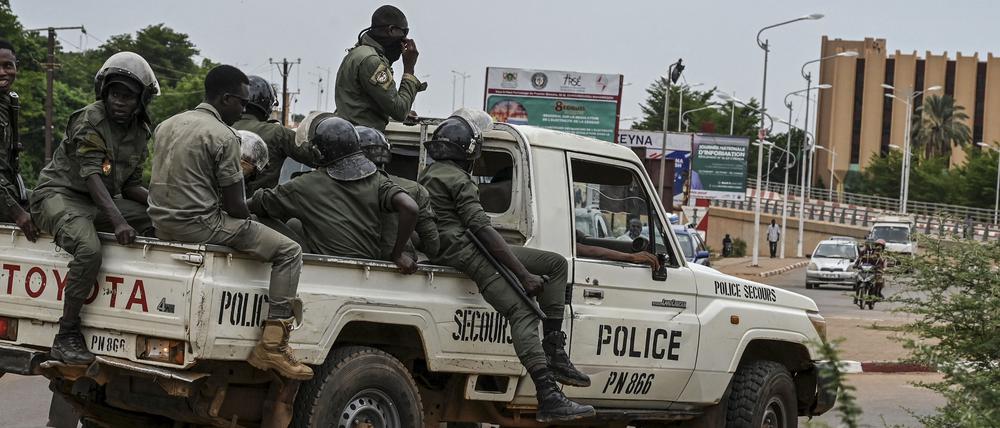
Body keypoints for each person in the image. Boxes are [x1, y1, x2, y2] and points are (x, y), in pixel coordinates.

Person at [419, 115, 595, 423]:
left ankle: (554, 350)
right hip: (465, 250)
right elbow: (483, 230)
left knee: (555, 264)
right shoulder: (459, 180)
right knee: (524, 312)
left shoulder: (430, 173)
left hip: (458, 246)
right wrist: (524, 276)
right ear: (467, 151)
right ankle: (548, 395)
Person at [148, 65, 312, 380]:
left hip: (160, 223)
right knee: (289, 250)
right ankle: (273, 345)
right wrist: (254, 220)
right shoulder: (224, 136)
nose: (243, 109)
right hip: (201, 225)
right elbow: (237, 206)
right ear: (225, 99)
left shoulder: (167, 125)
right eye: (240, 102)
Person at [30, 52, 158, 364]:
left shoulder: (140, 131)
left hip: (98, 201)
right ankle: (67, 333)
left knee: (158, 220)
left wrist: (163, 205)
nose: (119, 102)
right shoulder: (89, 119)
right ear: (104, 92)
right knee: (89, 250)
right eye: (115, 94)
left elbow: (130, 184)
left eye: (127, 96)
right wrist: (118, 222)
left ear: (140, 100)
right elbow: (91, 175)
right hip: (59, 194)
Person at [248, 113, 419, 272]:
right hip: (367, 264)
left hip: (323, 267)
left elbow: (257, 204)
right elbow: (410, 207)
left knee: (268, 221)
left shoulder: (304, 185)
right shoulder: (377, 179)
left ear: (317, 153)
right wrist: (398, 255)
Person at [334, 5, 426, 131]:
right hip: (363, 139)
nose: (404, 40)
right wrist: (409, 69)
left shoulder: (359, 52)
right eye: (404, 33)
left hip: (348, 133)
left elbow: (363, 103)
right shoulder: (372, 61)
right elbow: (400, 111)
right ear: (391, 30)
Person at [355, 125, 438, 260]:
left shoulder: (336, 188)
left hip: (353, 261)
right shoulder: (414, 190)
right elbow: (432, 245)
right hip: (401, 268)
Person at [232, 75, 316, 193]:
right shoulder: (277, 133)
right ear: (267, 104)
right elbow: (314, 157)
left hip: (213, 208)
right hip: (261, 208)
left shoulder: (216, 128)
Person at [0, 39, 37, 241]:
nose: (3, 73)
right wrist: (18, 213)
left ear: (16, 67)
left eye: (8, 66)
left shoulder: (8, 100)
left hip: (9, 187)